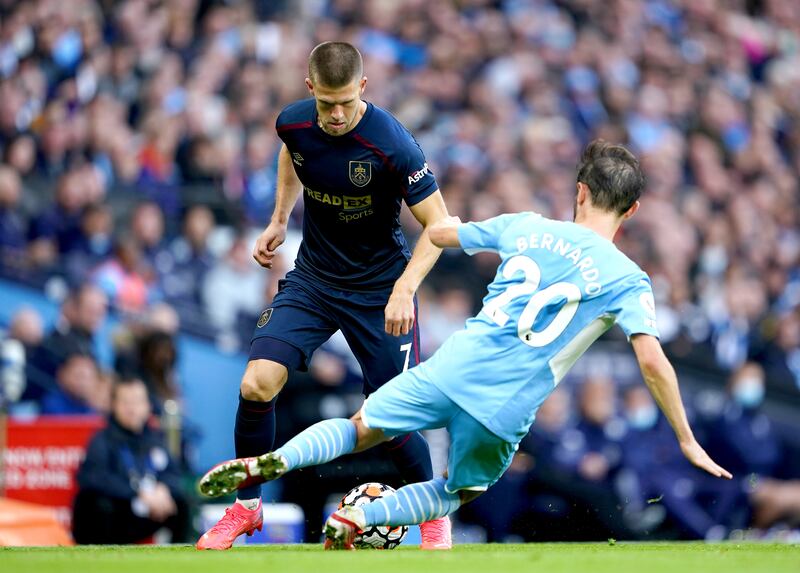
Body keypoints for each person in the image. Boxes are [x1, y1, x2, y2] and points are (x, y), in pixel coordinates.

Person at [198, 140, 733, 549]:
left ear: (581, 192)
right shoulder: (629, 279)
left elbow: (439, 232)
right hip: (505, 404)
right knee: (459, 490)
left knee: (363, 428)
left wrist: (405, 245)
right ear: (632, 210)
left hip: (452, 366)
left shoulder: (524, 226)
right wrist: (685, 438)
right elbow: (652, 361)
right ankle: (362, 516)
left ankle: (276, 459)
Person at [195, 41, 450, 550]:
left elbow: (440, 226)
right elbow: (294, 155)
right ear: (310, 89)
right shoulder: (292, 123)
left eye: (346, 103)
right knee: (256, 384)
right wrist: (279, 218)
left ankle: (434, 517)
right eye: (326, 103)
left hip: (380, 289)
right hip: (314, 279)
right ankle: (246, 508)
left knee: (391, 416)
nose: (335, 115)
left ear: (363, 88)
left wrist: (405, 288)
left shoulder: (393, 144)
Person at [72, 377, 191, 544]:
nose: (131, 408)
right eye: (125, 402)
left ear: (147, 406)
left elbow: (173, 473)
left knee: (181, 501)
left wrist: (163, 489)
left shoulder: (155, 438)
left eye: (137, 401)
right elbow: (93, 478)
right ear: (114, 405)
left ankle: (180, 558)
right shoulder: (102, 439)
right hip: (115, 513)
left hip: (146, 512)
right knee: (97, 502)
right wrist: (138, 492)